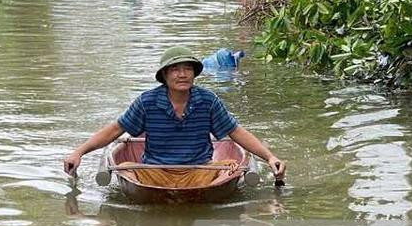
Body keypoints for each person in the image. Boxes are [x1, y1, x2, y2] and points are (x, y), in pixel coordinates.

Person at [63, 45, 285, 182]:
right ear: (165, 76)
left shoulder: (207, 101)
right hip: (155, 172)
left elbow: (235, 132)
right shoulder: (147, 102)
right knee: (124, 169)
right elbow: (115, 130)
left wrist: (270, 157)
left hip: (200, 172)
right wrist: (79, 152)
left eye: (187, 69)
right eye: (175, 69)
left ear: (194, 74)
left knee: (230, 167)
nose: (182, 74)